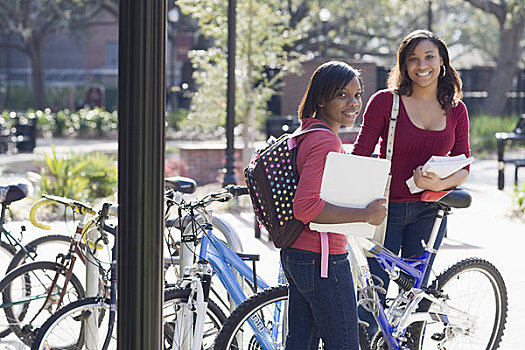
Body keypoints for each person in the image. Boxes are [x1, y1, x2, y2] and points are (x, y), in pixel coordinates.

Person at [351, 30, 470, 338]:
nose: (422, 66)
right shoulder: (384, 103)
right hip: (384, 211)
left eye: (429, 57)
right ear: (402, 65)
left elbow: (463, 167)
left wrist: (440, 181)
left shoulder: (456, 110)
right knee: (371, 298)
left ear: (442, 61)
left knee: (413, 300)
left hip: (430, 211)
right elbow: (360, 156)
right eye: (413, 59)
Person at [280, 60, 387, 350]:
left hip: (298, 253)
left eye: (357, 94)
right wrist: (366, 214)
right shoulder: (324, 141)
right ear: (321, 99)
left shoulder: (305, 134)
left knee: (300, 342)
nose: (353, 102)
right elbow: (306, 207)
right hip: (322, 260)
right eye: (342, 95)